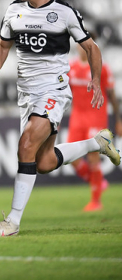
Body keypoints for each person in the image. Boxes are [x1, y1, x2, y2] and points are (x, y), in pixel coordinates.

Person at [0, 0, 120, 237]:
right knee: (42, 162)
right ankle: (98, 143)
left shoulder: (64, 13)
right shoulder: (13, 11)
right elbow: (2, 46)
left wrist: (95, 78)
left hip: (53, 90)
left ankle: (13, 222)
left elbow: (91, 47)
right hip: (26, 95)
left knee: (26, 145)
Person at [67, 32, 122, 211]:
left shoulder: (102, 68)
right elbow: (64, 96)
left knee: (92, 158)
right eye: (79, 44)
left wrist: (118, 120)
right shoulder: (71, 67)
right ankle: (96, 181)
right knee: (70, 158)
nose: (81, 47)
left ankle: (96, 201)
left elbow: (113, 96)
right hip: (77, 117)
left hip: (96, 117)